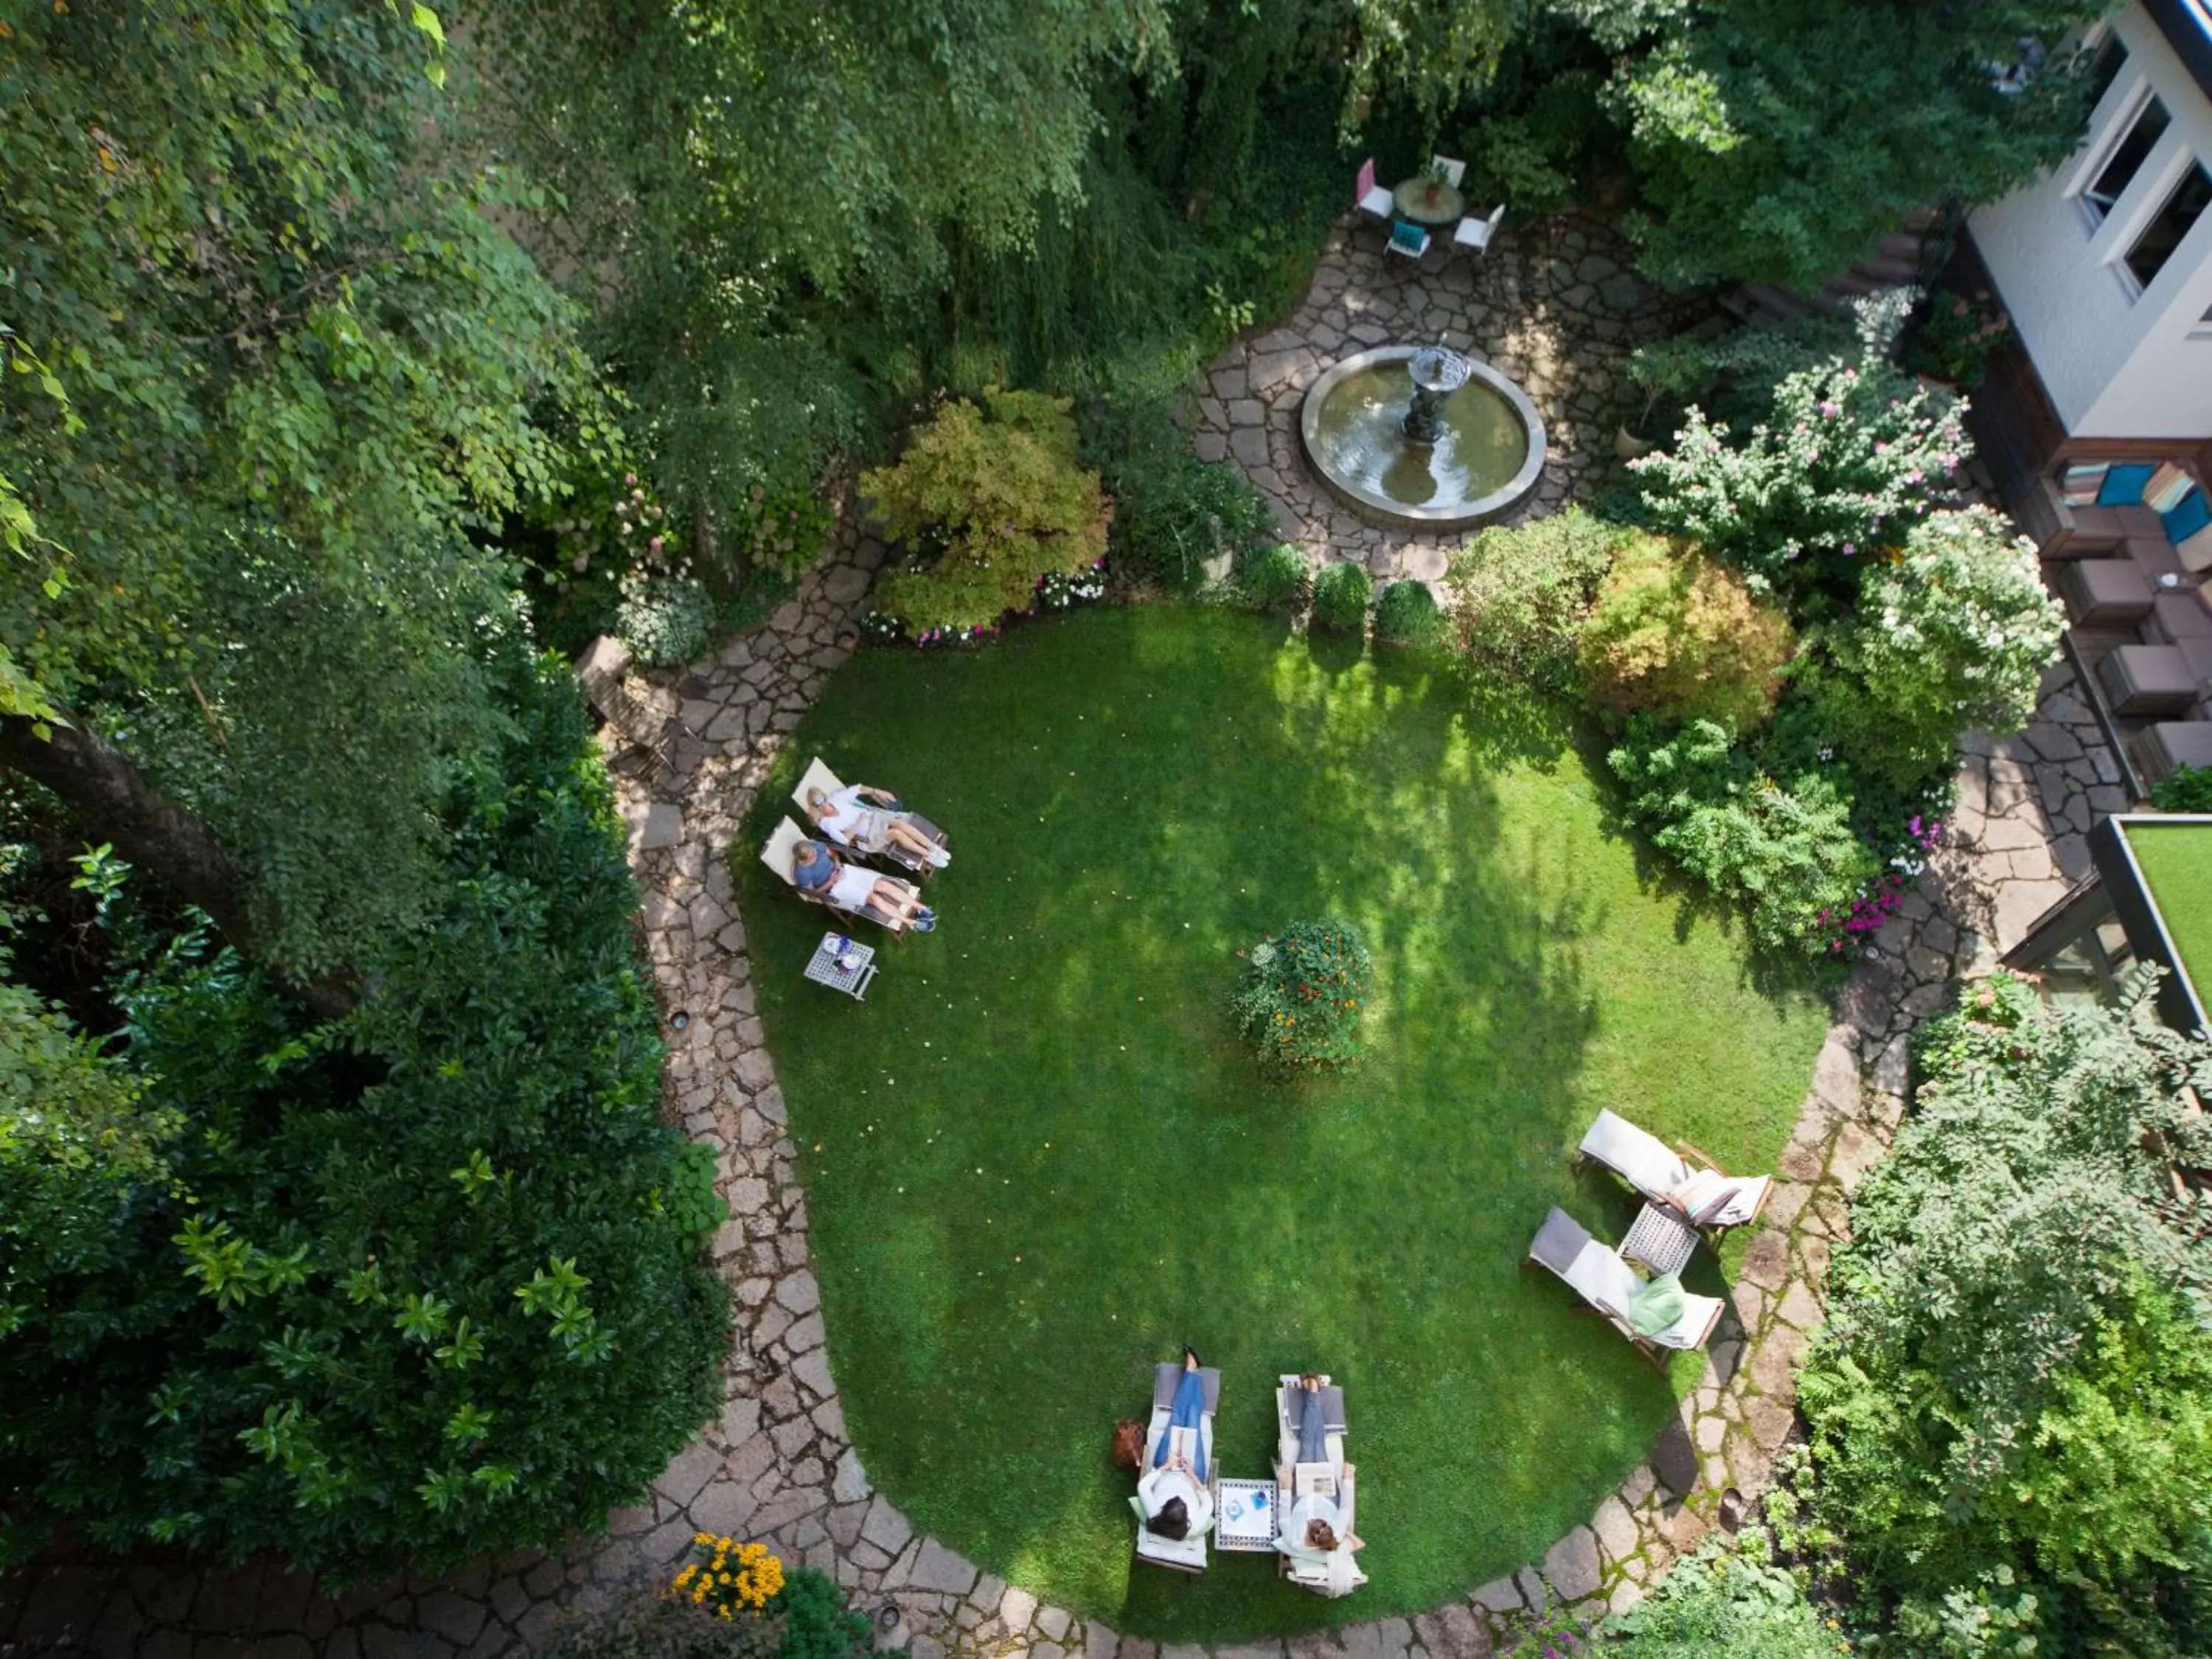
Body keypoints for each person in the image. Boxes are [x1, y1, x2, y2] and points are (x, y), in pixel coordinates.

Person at [1138, 1349, 1214, 1541]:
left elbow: (1143, 1486)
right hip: (1192, 1473)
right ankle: (1193, 1372)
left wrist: (1165, 1468)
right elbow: (1208, 1503)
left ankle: (1192, 1372)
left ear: (1163, 1510)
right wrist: (1193, 1477)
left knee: (1177, 1419)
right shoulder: (1194, 1526)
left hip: (1168, 1466)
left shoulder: (1155, 1514)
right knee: (1193, 1421)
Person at [791, 840, 936, 931]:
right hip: (835, 887)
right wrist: (831, 882)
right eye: (813, 857)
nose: (816, 855)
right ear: (803, 860)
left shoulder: (816, 847)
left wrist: (835, 862)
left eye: (814, 852)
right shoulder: (802, 873)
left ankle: (922, 909)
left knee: (882, 885)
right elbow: (811, 893)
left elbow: (832, 854)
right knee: (873, 898)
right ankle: (911, 923)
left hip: (843, 871)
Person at [805, 782, 949, 869]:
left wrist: (877, 791)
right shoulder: (826, 823)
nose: (823, 805)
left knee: (899, 823)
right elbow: (844, 840)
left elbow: (859, 789)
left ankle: (933, 847)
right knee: (896, 833)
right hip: (867, 836)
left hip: (875, 817)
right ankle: (930, 856)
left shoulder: (836, 799)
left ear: (825, 796)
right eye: (818, 804)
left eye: (823, 799)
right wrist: (858, 822)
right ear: (814, 807)